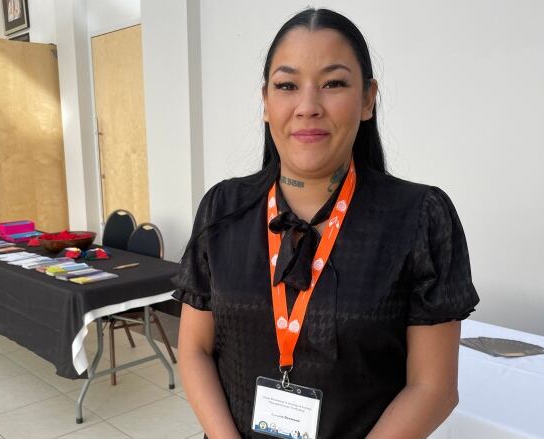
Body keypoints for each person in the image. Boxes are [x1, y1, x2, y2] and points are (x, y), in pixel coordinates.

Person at [173, 8, 480, 439]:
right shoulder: (223, 208)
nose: (308, 107)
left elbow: (433, 387)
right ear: (265, 101)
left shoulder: (420, 217)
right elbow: (194, 351)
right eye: (287, 85)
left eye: (334, 83)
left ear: (368, 98)